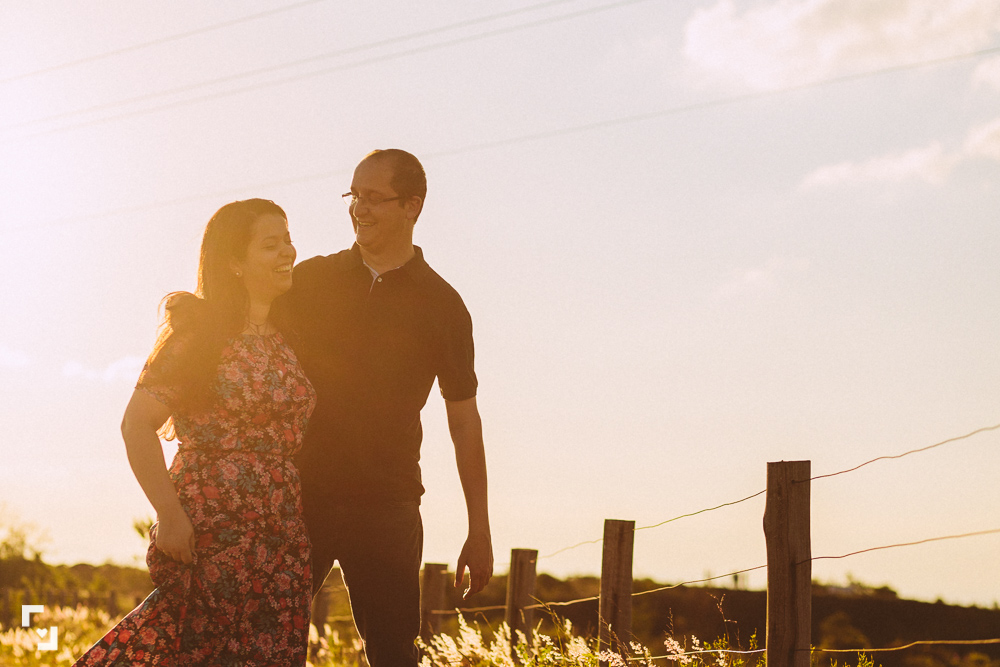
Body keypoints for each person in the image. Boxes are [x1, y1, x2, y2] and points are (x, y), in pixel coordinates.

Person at [74, 199, 316, 666]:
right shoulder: (200, 337)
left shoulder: (290, 338)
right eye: (271, 244)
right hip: (212, 528)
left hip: (282, 535)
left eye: (287, 239)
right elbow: (136, 425)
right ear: (234, 262)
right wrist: (169, 512)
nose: (288, 251)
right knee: (190, 651)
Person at [283, 149, 493, 666]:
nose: (360, 208)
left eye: (374, 198)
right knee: (267, 648)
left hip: (387, 508)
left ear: (412, 206)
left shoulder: (444, 306)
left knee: (395, 656)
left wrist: (479, 528)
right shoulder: (309, 282)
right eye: (354, 195)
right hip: (297, 499)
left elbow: (463, 421)